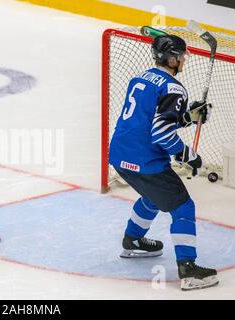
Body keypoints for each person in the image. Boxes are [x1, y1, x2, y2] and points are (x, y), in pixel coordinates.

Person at [109, 35, 218, 290]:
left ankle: (132, 240)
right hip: (145, 160)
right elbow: (161, 133)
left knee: (154, 197)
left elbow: (152, 118)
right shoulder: (174, 87)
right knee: (183, 207)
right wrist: (188, 155)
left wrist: (188, 117)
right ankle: (188, 269)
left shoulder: (142, 77)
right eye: (181, 56)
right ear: (171, 59)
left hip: (121, 156)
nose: (183, 60)